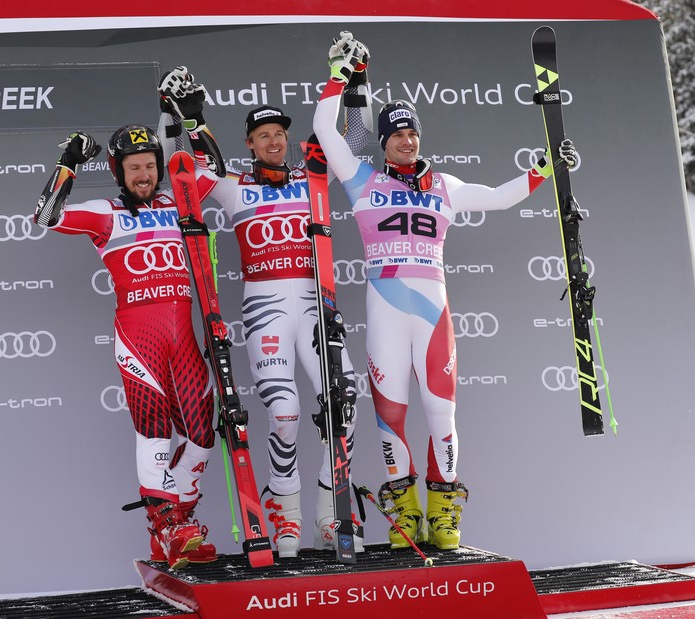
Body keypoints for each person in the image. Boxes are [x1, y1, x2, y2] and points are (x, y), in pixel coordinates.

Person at [312, 32, 579, 550]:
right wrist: (339, 73)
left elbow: (501, 197)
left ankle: (443, 511)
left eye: (412, 133)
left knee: (441, 413)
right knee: (390, 413)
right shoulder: (360, 178)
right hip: (386, 311)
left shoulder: (445, 186)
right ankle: (404, 513)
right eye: (395, 135)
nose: (406, 141)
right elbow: (326, 125)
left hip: (434, 313)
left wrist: (548, 166)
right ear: (383, 143)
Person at [156, 61, 372, 558]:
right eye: (263, 135)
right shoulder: (233, 184)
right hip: (266, 308)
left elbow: (354, 145)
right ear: (249, 143)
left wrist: (358, 85)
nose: (274, 141)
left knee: (344, 403)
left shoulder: (312, 174)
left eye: (279, 133)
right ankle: (284, 510)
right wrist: (171, 113)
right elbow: (178, 176)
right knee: (285, 412)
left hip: (317, 304)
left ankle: (329, 511)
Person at [32, 126, 217, 569]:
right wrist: (70, 163)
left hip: (183, 335)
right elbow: (46, 217)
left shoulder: (179, 202)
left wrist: (195, 123)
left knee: (202, 437)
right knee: (154, 429)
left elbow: (213, 168)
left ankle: (179, 523)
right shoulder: (105, 213)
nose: (144, 175)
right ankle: (168, 524)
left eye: (150, 166)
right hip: (139, 335)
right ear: (119, 171)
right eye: (134, 167)